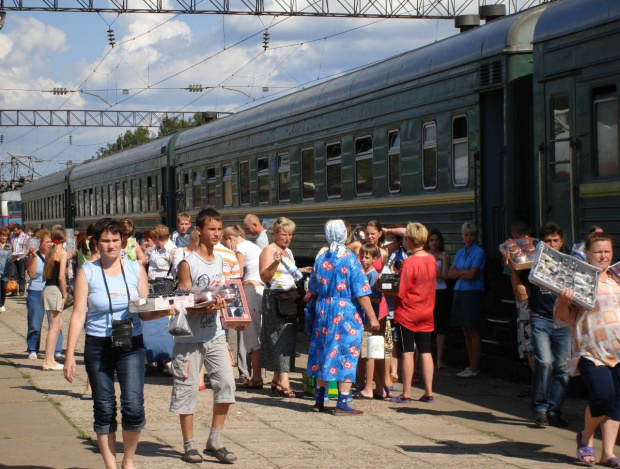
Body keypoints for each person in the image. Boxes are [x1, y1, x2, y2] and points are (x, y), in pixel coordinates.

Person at [64, 218, 170, 469]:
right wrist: (69, 355)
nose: (111, 245)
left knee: (133, 405)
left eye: (115, 240)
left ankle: (128, 461)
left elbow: (145, 309)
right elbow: (78, 314)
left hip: (131, 344)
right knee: (104, 406)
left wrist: (165, 310)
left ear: (122, 241)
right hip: (98, 345)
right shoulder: (86, 272)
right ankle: (111, 466)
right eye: (105, 241)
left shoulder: (135, 268)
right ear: (96, 244)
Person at [170, 208, 238, 464]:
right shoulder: (187, 262)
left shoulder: (220, 261)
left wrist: (229, 311)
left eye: (219, 229)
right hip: (189, 337)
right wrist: (204, 305)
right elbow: (183, 299)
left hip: (215, 333)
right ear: (199, 230)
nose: (217, 234)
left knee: (226, 384)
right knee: (186, 390)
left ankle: (215, 440)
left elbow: (221, 292)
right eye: (212, 229)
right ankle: (189, 445)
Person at [555, 230, 620, 467]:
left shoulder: (617, 278)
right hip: (591, 350)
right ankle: (585, 439)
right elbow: (562, 319)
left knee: (617, 402)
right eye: (598, 252)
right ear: (588, 255)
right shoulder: (579, 281)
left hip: (618, 350)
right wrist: (563, 302)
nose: (603, 256)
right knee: (603, 396)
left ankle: (608, 453)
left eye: (607, 252)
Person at [307, 220, 380, 414]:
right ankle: (342, 403)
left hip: (324, 310)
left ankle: (319, 400)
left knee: (323, 352)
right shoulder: (349, 259)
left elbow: (312, 287)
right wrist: (372, 318)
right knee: (346, 353)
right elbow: (361, 291)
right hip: (345, 312)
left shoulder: (322, 258)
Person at [259, 217, 310, 397]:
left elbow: (289, 273)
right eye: (284, 234)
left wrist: (302, 271)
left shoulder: (288, 251)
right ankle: (284, 383)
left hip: (289, 298)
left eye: (290, 235)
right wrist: (275, 262)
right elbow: (264, 276)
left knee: (287, 337)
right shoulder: (269, 250)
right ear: (275, 234)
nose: (287, 238)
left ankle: (276, 380)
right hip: (275, 297)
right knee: (280, 337)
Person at [391, 222, 436, 403]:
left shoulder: (409, 263)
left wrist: (390, 279)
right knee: (425, 351)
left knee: (407, 352)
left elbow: (401, 291)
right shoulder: (431, 259)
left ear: (410, 240)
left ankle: (407, 393)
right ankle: (429, 392)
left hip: (407, 313)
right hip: (427, 311)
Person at [222, 225, 265, 388]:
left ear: (230, 238)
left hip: (249, 291)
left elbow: (238, 273)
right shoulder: (253, 246)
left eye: (227, 244)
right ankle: (258, 375)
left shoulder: (240, 247)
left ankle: (256, 377)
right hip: (260, 289)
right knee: (259, 334)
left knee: (251, 336)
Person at [449, 222, 486, 378]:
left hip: (472, 292)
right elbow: (450, 274)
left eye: (471, 235)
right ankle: (470, 364)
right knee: (464, 329)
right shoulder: (459, 252)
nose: (468, 238)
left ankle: (474, 366)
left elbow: (472, 275)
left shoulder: (479, 252)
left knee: (473, 329)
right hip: (460, 291)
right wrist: (465, 272)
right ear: (462, 236)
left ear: (475, 236)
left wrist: (460, 272)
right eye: (466, 235)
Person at [25, 229, 63, 360]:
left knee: (55, 323)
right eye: (47, 241)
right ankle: (32, 349)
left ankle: (56, 350)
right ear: (40, 243)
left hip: (51, 289)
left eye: (51, 241)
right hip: (36, 290)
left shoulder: (55, 255)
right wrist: (34, 256)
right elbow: (31, 274)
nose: (50, 243)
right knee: (35, 322)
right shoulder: (32, 256)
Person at [355, 243, 385, 400]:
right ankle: (366, 384)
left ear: (374, 258)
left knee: (368, 352)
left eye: (367, 257)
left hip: (370, 318)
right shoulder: (363, 273)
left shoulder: (373, 275)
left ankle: (368, 387)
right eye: (362, 256)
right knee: (364, 353)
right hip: (363, 318)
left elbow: (377, 298)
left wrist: (359, 297)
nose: (363, 260)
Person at [40, 227, 68, 371]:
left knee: (57, 325)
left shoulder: (50, 252)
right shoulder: (61, 253)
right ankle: (48, 360)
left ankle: (49, 359)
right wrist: (64, 295)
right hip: (56, 290)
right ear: (64, 239)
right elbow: (61, 277)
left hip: (47, 288)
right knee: (54, 327)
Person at [425, 229, 451, 370]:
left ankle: (439, 359)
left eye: (436, 240)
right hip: (427, 292)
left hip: (441, 292)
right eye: (432, 240)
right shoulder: (424, 255)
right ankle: (425, 358)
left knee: (440, 326)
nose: (434, 243)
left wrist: (443, 263)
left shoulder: (444, 256)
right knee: (426, 326)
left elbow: (445, 276)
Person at [10, 223, 30, 296]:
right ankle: (14, 290)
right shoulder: (12, 236)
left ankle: (21, 291)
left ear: (20, 229)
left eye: (16, 231)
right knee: (13, 274)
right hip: (13, 257)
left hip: (22, 257)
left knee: (21, 274)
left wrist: (24, 256)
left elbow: (29, 248)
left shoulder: (26, 237)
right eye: (14, 231)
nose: (14, 232)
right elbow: (9, 245)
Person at [0, 228, 12, 312]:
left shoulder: (9, 245)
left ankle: (2, 304)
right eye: (2, 235)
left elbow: (10, 256)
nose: (3, 237)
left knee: (4, 288)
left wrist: (14, 258)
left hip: (6, 269)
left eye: (5, 236)